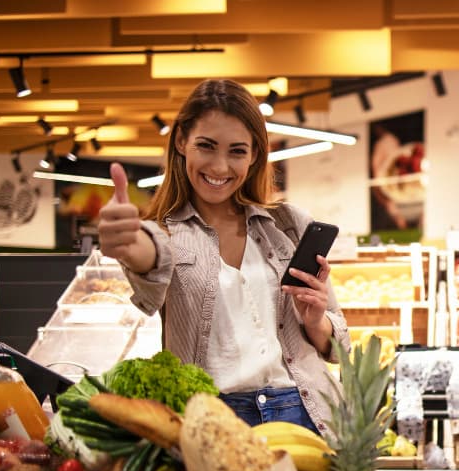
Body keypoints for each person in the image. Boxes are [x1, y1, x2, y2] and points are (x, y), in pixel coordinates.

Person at [96, 79, 349, 434]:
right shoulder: (166, 234)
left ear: (255, 155)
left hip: (306, 411)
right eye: (207, 146)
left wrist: (315, 321)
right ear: (182, 141)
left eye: (236, 151)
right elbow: (149, 255)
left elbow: (339, 348)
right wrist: (126, 240)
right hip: (214, 419)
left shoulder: (288, 226)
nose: (219, 167)